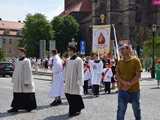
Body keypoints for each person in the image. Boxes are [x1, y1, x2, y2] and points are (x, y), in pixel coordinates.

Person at [116, 44, 142, 120]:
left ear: (128, 50)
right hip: (122, 90)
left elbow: (138, 75)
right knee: (120, 111)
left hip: (134, 91)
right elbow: (117, 75)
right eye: (120, 49)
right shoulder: (119, 62)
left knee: (136, 110)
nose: (120, 50)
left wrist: (129, 84)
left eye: (122, 49)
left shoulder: (136, 60)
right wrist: (124, 83)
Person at [8, 48, 37, 113]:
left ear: (23, 53)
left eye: (19, 52)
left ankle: (29, 107)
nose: (18, 53)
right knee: (17, 94)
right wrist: (14, 79)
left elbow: (28, 71)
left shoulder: (27, 61)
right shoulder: (17, 60)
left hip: (24, 81)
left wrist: (27, 81)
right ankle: (15, 107)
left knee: (27, 95)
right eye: (18, 52)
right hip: (18, 81)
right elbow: (15, 70)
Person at [64, 45, 85, 117]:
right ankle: (77, 108)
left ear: (73, 51)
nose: (68, 52)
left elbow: (80, 71)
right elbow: (66, 70)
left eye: (69, 50)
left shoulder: (79, 60)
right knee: (68, 94)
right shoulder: (68, 59)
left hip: (75, 81)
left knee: (75, 95)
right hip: (69, 80)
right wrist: (65, 78)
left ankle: (75, 109)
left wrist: (80, 81)